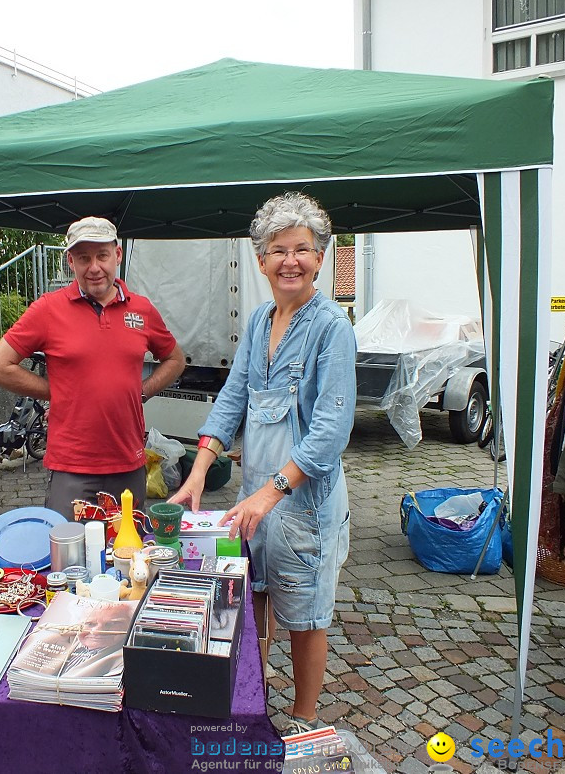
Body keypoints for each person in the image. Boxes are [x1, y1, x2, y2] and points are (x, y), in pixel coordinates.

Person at [169, 192, 356, 735]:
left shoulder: (331, 328)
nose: (290, 260)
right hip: (256, 497)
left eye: (301, 249)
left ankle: (301, 720)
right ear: (261, 261)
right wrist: (199, 471)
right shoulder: (258, 321)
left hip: (304, 506)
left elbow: (330, 432)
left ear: (320, 257)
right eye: (278, 250)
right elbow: (232, 399)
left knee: (305, 617)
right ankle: (255, 692)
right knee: (252, 600)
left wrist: (274, 491)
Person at [0, 216, 185, 518]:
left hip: (128, 462)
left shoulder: (141, 310)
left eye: (102, 255)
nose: (94, 267)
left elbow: (175, 360)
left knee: (126, 553)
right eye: (83, 258)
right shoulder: (48, 309)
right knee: (69, 558)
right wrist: (57, 392)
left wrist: (141, 391)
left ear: (116, 255)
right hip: (71, 467)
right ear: (70, 262)